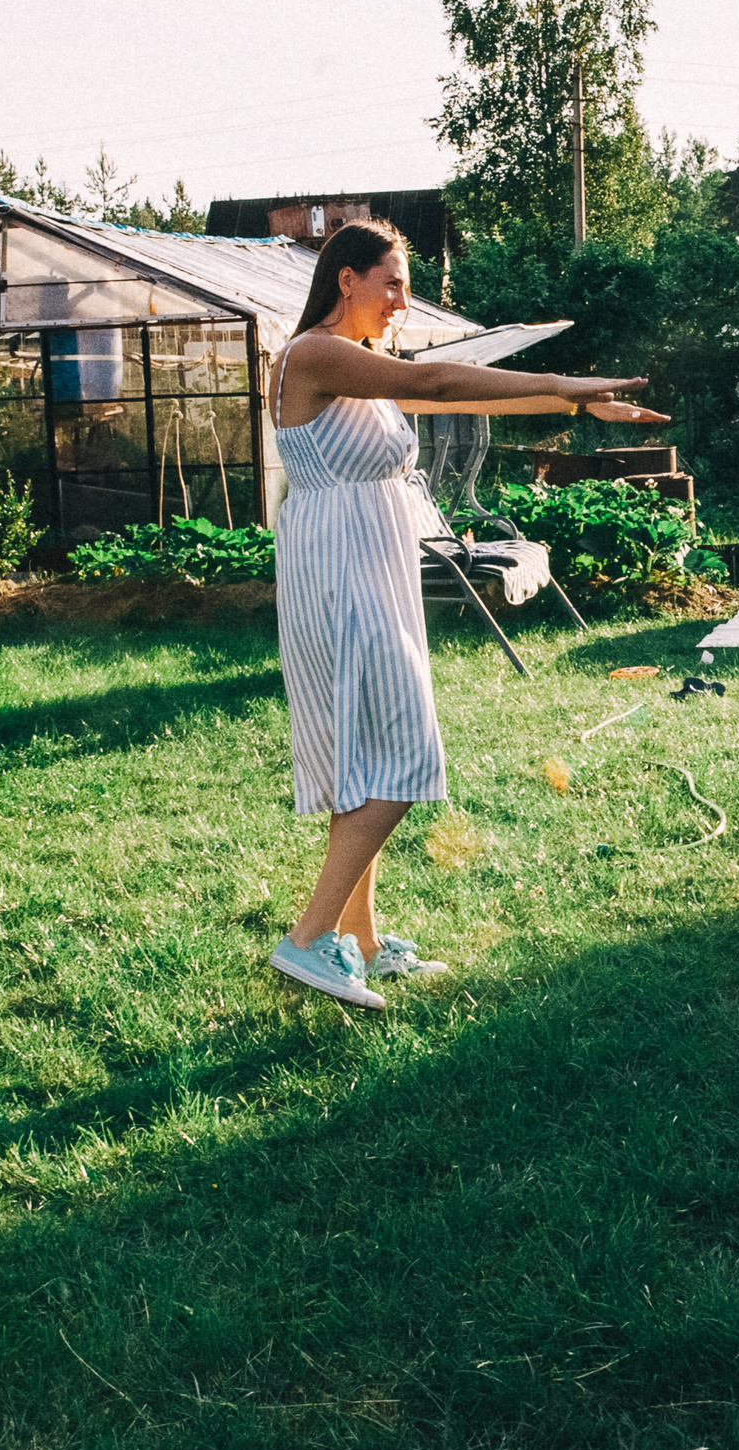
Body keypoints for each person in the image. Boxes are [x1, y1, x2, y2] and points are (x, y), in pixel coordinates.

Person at [268, 220, 666, 1010]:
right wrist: (567, 380)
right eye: (392, 282)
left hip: (367, 562)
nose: (403, 301)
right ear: (345, 278)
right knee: (398, 753)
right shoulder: (312, 354)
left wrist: (571, 403)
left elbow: (446, 389)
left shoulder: (365, 364)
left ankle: (365, 943)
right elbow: (443, 385)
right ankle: (307, 940)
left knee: (368, 756)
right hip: (341, 571)